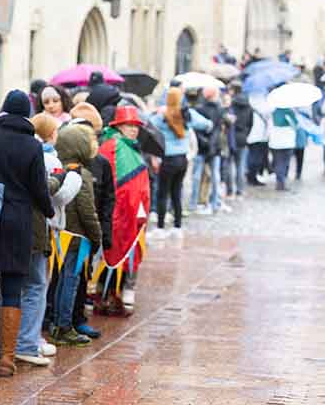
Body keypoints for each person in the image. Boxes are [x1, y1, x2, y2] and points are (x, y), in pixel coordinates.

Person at [0, 90, 54, 376]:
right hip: (19, 221)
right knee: (14, 287)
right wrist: (49, 211)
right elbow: (39, 187)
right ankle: (7, 358)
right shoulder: (33, 145)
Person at [18, 114, 80, 365]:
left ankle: (21, 338)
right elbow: (54, 196)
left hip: (24, 227)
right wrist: (73, 180)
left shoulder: (26, 152)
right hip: (44, 228)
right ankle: (29, 340)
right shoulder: (50, 159)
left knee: (22, 288)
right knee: (37, 286)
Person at [52, 124, 102, 345]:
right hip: (78, 237)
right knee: (71, 281)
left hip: (62, 234)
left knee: (62, 279)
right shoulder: (82, 174)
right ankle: (64, 326)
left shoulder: (60, 170)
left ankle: (57, 322)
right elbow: (87, 210)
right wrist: (96, 236)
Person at [98, 106, 150, 314]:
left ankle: (116, 292)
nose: (134, 130)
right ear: (118, 126)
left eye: (136, 126)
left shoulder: (132, 148)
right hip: (117, 211)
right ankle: (107, 293)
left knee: (128, 249)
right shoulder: (112, 147)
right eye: (129, 125)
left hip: (133, 211)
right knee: (113, 249)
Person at [150, 87, 212, 236]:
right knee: (176, 192)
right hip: (182, 160)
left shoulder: (162, 116)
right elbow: (207, 124)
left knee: (162, 194)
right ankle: (177, 227)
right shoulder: (187, 114)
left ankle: (160, 228)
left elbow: (147, 123)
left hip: (167, 160)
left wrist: (156, 111)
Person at [190, 87, 225, 214]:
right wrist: (211, 144)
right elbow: (218, 129)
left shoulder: (199, 108)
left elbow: (196, 129)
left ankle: (194, 203)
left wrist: (205, 141)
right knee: (214, 176)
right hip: (213, 146)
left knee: (197, 176)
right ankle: (214, 202)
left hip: (203, 146)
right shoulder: (219, 109)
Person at [227, 82, 253, 199]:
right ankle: (240, 190)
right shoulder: (248, 105)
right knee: (240, 166)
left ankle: (229, 191)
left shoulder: (231, 104)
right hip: (243, 137)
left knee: (228, 165)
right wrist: (246, 134)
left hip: (231, 137)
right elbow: (251, 123)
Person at [268, 106, 298, 191]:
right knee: (284, 164)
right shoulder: (290, 113)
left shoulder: (272, 113)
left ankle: (279, 182)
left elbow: (269, 127)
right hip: (287, 143)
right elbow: (295, 126)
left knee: (278, 162)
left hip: (275, 143)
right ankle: (281, 183)